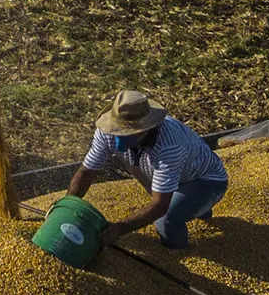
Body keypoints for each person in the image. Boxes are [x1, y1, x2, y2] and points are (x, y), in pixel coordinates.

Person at [67, 89, 229, 248]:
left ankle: (177, 250)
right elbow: (87, 172)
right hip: (170, 172)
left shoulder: (169, 145)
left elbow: (160, 205)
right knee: (173, 202)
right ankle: (191, 207)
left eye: (127, 133)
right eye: (118, 131)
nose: (119, 137)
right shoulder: (107, 132)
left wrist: (121, 228)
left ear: (146, 129)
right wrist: (66, 206)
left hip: (205, 179)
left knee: (166, 218)